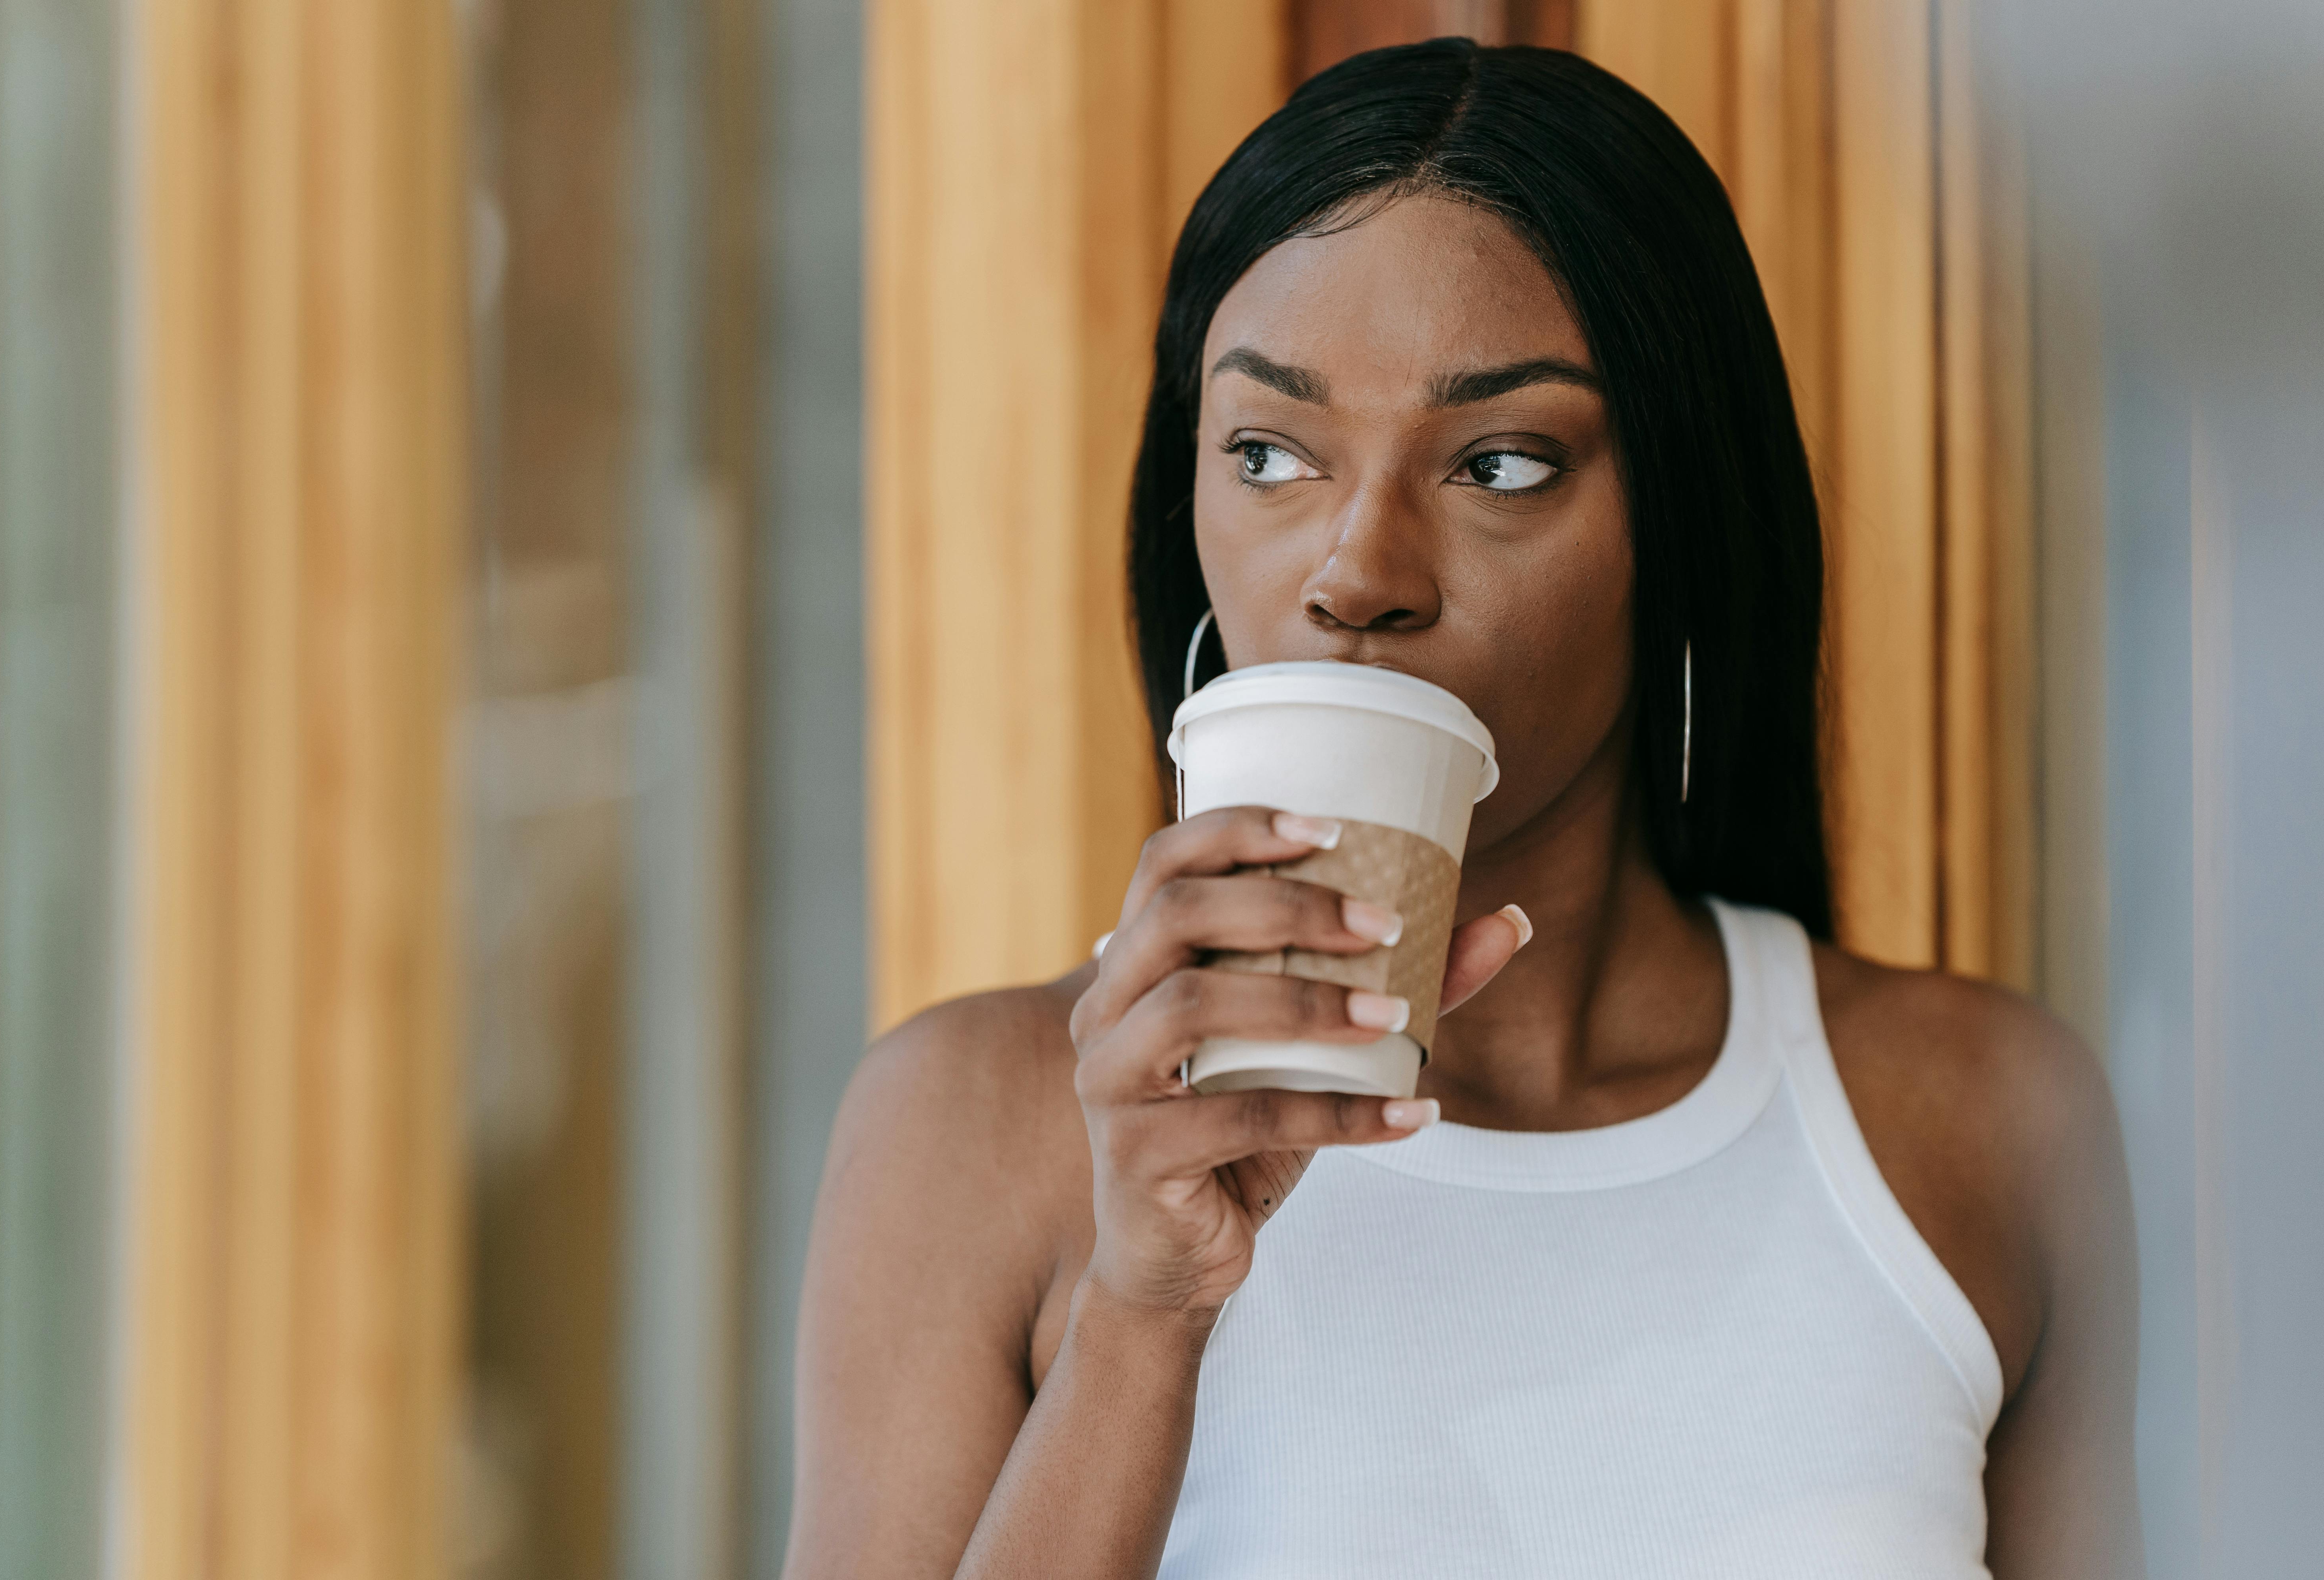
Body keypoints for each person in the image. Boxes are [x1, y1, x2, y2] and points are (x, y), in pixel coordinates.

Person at [787, 38, 2140, 1579]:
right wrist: (1142, 1316)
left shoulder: (1986, 1128)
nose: (1358, 569)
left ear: (1682, 528)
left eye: (1501, 462)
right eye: (1267, 453)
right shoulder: (976, 1128)